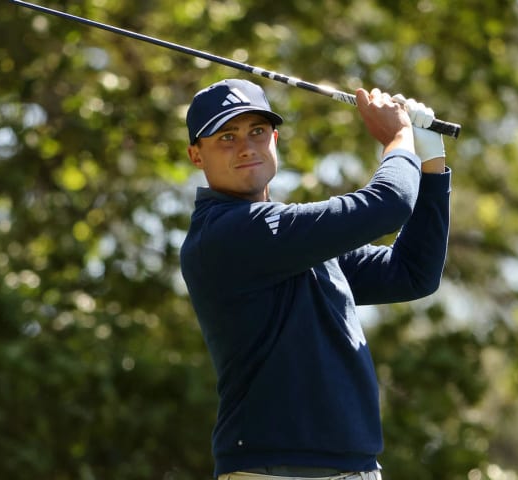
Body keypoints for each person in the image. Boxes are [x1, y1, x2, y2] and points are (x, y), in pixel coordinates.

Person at [180, 78, 451, 480]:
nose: (246, 146)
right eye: (226, 136)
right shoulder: (225, 234)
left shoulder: (290, 238)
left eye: (257, 131)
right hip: (275, 471)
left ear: (275, 137)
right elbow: (387, 203)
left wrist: (430, 164)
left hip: (353, 468)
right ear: (196, 155)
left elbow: (411, 273)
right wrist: (398, 139)